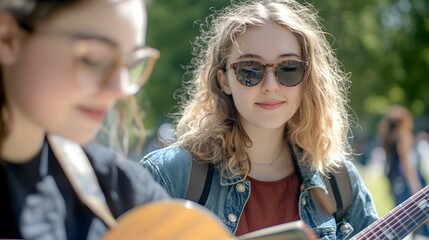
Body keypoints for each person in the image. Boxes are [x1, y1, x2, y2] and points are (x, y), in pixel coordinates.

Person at [141, 0, 378, 239]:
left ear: (308, 77)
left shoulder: (339, 181)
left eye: (288, 68)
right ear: (224, 81)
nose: (271, 86)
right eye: (250, 69)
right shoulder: (169, 175)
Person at [0, 0, 170, 239]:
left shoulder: (120, 191)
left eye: (131, 63)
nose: (120, 89)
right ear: (7, 38)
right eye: (94, 59)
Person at [378, 105, 429, 237]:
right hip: (407, 183)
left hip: (396, 183)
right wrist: (417, 189)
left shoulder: (388, 139)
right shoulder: (403, 137)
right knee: (419, 217)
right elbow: (408, 165)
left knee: (402, 221)